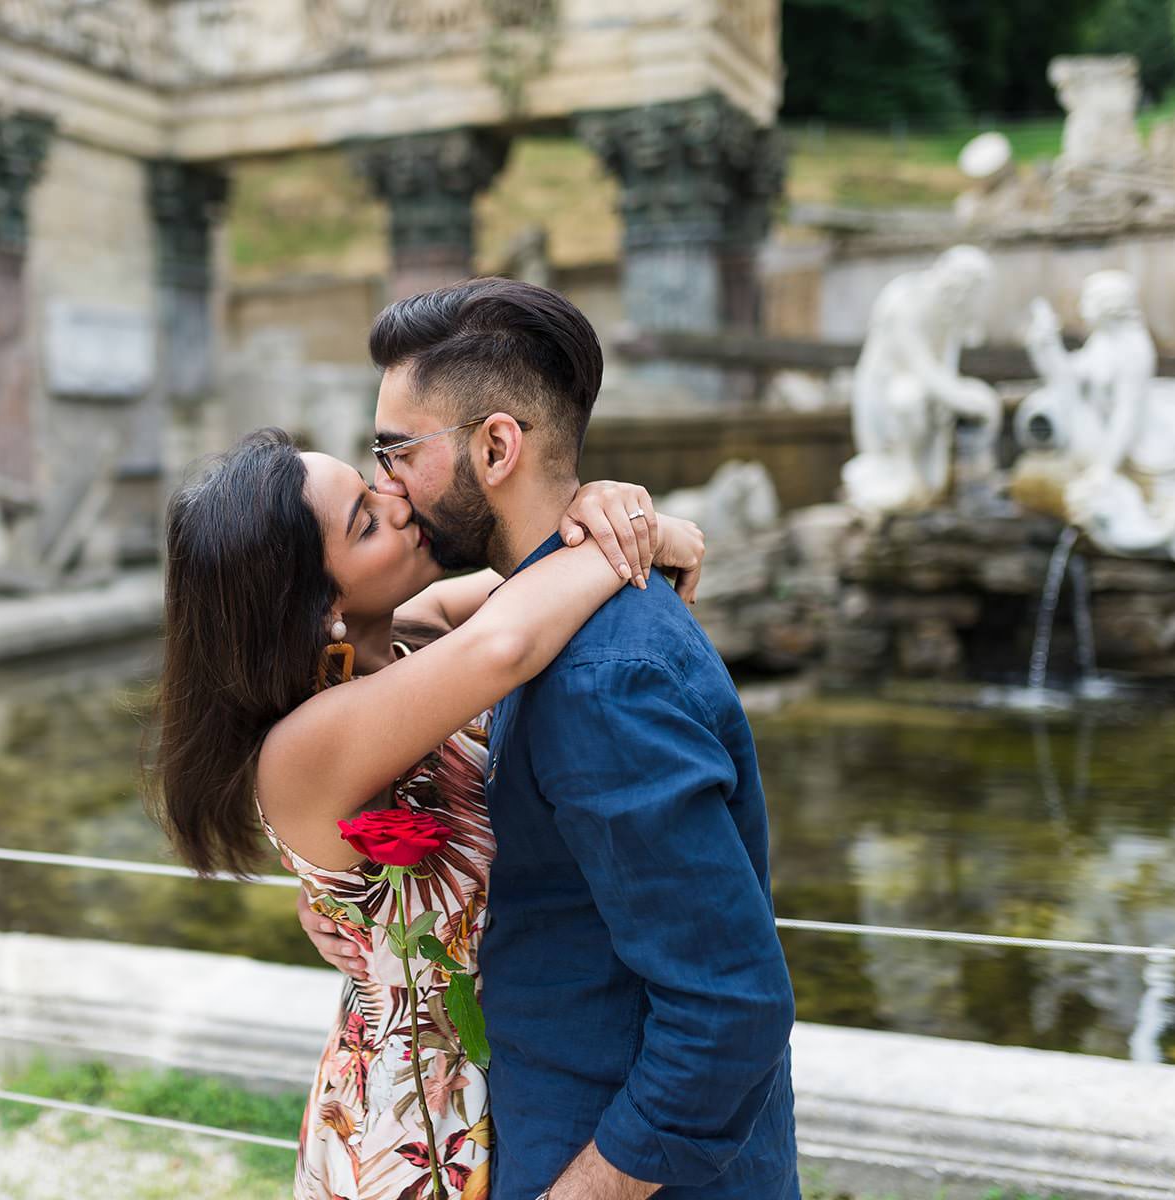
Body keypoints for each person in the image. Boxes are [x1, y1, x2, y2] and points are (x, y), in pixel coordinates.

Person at [301, 277, 799, 1199]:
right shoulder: (516, 639)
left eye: (394, 452)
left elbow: (730, 1011)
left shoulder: (596, 677)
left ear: (496, 446)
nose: (390, 487)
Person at [148, 420, 705, 1200]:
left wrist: (613, 507)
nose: (399, 500)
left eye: (372, 484)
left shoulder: (421, 630)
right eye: (366, 521)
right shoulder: (301, 753)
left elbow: (543, 567)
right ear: (315, 609)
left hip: (524, 1066)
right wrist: (630, 534)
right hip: (415, 1128)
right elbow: (511, 640)